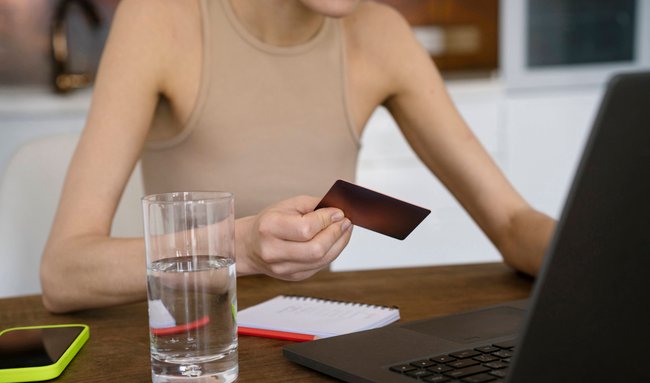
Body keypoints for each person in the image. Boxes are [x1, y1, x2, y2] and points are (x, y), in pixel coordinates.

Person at [41, 0, 555, 313]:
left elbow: (511, 221)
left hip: (320, 351)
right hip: (188, 352)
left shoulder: (380, 34)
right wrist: (239, 246)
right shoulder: (160, 20)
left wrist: (610, 257)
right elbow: (64, 273)